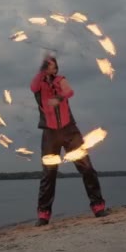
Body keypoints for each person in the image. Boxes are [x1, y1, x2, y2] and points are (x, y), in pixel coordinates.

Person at [30, 54, 107, 226]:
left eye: (53, 65)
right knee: (49, 174)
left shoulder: (60, 79)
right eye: (48, 65)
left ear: (56, 68)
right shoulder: (38, 84)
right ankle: (43, 215)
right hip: (50, 133)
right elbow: (33, 85)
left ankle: (98, 206)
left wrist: (59, 97)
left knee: (86, 167)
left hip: (70, 131)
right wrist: (41, 71)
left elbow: (69, 91)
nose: (51, 68)